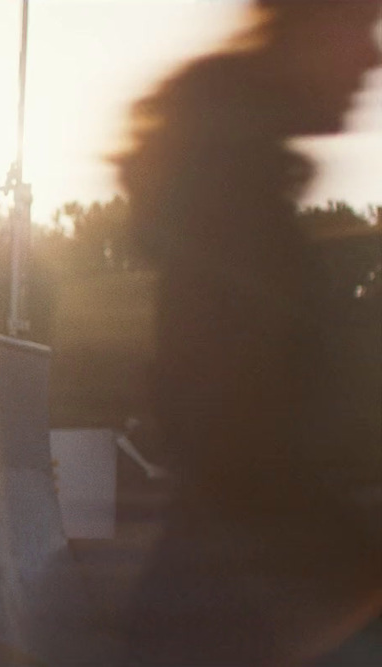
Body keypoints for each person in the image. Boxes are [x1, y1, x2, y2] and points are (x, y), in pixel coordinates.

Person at [116, 1, 382, 663]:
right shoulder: (233, 201)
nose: (373, 59)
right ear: (305, 31)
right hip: (245, 601)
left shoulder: (239, 183)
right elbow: (242, 436)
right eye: (360, 30)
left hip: (233, 589)